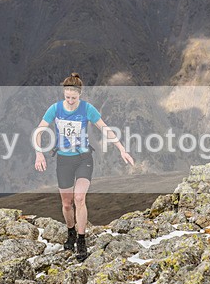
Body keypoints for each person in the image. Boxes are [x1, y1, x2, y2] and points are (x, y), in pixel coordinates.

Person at [34, 73, 135, 261]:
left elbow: (105, 128)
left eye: (74, 98)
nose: (71, 101)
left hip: (83, 158)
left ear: (80, 95)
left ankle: (81, 240)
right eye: (67, 97)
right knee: (66, 203)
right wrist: (39, 152)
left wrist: (121, 149)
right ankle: (70, 231)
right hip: (64, 160)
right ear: (64, 94)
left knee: (79, 198)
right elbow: (39, 130)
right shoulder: (55, 109)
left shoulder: (87, 109)